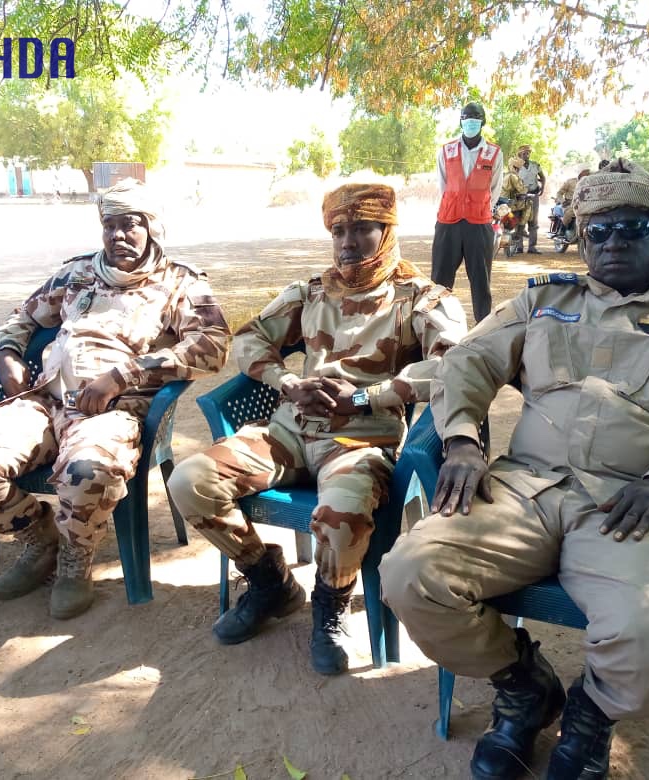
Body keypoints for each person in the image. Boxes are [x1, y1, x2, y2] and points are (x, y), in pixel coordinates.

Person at [381, 159, 649, 780]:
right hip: (524, 491)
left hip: (633, 505)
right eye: (597, 231)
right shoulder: (545, 301)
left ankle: (592, 713)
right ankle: (524, 686)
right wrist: (462, 439)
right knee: (411, 572)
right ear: (581, 238)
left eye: (630, 228)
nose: (613, 242)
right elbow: (466, 363)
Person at [168, 183, 468, 676]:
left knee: (343, 511)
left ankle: (330, 604)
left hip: (363, 436)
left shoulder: (421, 299)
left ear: (386, 231)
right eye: (338, 231)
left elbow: (453, 366)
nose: (347, 242)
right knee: (190, 481)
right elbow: (249, 339)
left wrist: (365, 395)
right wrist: (286, 381)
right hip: (288, 431)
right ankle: (268, 580)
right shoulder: (310, 292)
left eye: (361, 229)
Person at [0, 179, 230, 619]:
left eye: (130, 225)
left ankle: (76, 559)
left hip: (111, 412)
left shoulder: (177, 283)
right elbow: (21, 317)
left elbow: (212, 345)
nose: (118, 236)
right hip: (44, 402)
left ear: (152, 228)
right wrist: (7, 354)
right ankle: (39, 538)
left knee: (89, 470)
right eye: (109, 225)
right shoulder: (77, 273)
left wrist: (123, 374)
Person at [431, 101, 504, 323]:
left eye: (475, 118)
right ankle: (436, 325)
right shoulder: (447, 150)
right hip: (448, 222)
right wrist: (456, 203)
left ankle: (482, 328)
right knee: (439, 281)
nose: (471, 122)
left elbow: (495, 187)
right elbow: (443, 185)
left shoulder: (494, 153)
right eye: (467, 118)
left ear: (482, 122)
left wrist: (478, 205)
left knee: (481, 281)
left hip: (479, 223)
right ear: (461, 121)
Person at [516, 144, 547, 254]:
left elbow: (542, 177)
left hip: (534, 195)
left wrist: (542, 188)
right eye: (523, 153)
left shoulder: (535, 165)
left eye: (528, 153)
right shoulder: (516, 166)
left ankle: (532, 247)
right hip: (520, 197)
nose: (526, 155)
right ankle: (518, 247)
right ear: (519, 154)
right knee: (520, 220)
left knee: (533, 221)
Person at [501, 158, 531, 254]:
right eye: (517, 168)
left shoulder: (504, 175)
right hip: (510, 204)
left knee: (508, 224)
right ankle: (521, 229)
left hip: (500, 203)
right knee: (528, 205)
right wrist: (527, 189)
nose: (518, 169)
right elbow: (521, 190)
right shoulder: (513, 177)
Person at [554, 168, 591, 240]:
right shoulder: (570, 182)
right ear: (580, 173)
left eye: (588, 173)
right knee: (570, 212)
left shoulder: (590, 182)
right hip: (570, 204)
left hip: (584, 204)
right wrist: (562, 201)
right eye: (586, 172)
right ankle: (562, 230)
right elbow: (559, 193)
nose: (588, 174)